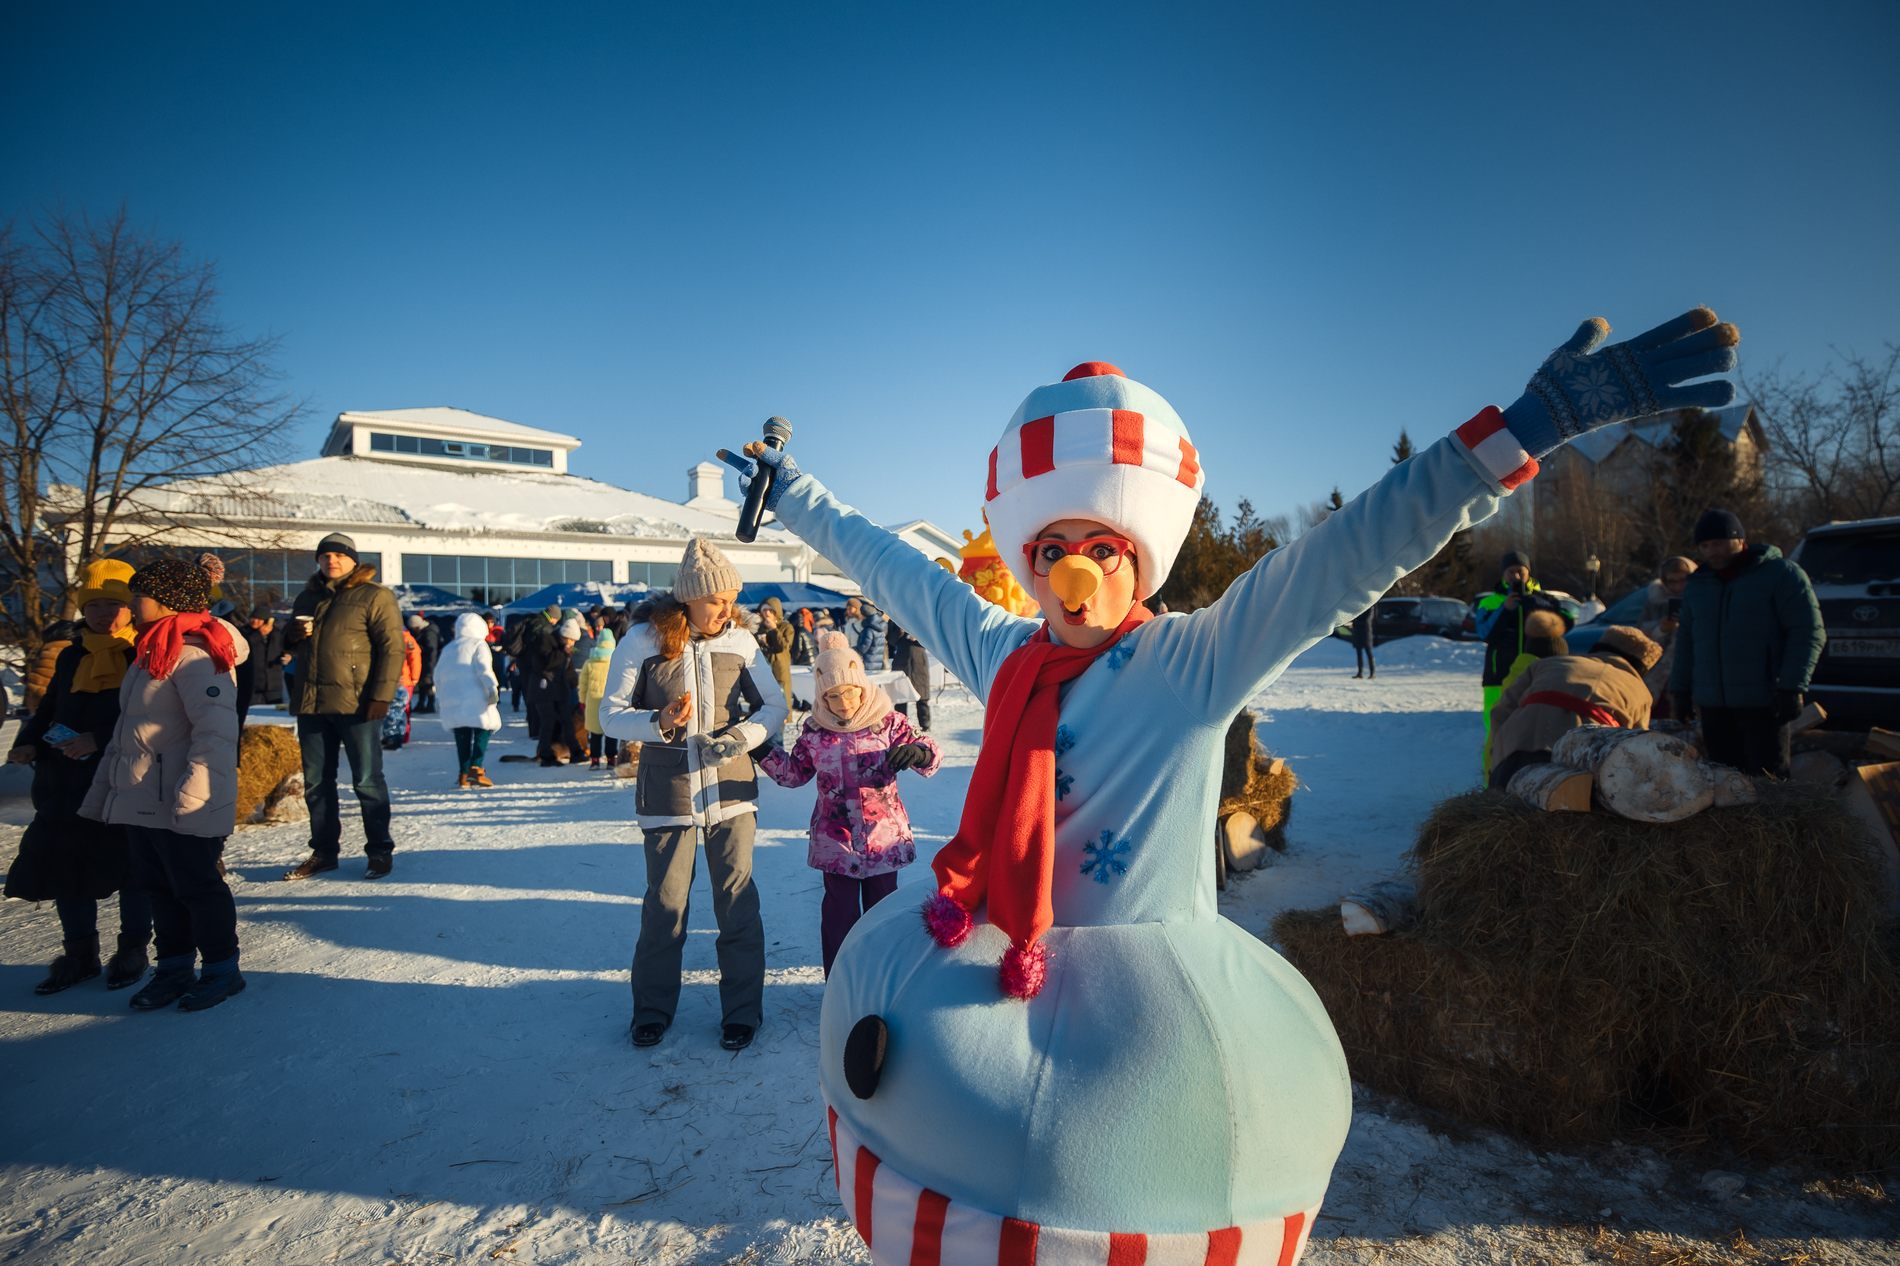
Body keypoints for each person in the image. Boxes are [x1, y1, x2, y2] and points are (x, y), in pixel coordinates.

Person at [721, 307, 1738, 1252]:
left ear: (1140, 558)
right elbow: (905, 575)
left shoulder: (1191, 663)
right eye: (1052, 550)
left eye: (1101, 548)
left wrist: (1519, 432)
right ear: (1029, 562)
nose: (1076, 573)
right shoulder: (1005, 654)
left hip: (1139, 1003)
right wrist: (801, 497)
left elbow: (1352, 550)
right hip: (998, 958)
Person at [601, 537, 788, 1052]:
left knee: (737, 904)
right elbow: (609, 714)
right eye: (717, 600)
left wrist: (741, 738)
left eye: (732, 599)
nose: (728, 610)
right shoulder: (642, 639)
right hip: (668, 793)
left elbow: (774, 706)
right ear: (688, 598)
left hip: (730, 790)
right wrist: (657, 721)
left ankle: (742, 1013)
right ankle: (653, 1011)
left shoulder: (741, 642)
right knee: (665, 905)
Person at [80, 556, 248, 1012]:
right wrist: (109, 786)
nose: (132, 604)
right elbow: (127, 731)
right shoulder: (150, 650)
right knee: (157, 886)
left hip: (180, 797)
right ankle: (173, 968)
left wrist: (196, 798)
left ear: (168, 601)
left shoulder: (196, 655)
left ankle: (221, 970)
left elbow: (214, 735)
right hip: (142, 795)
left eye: (140, 595)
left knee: (197, 886)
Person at [5, 561, 152, 994]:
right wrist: (28, 740)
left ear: (131, 608)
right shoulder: (71, 655)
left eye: (115, 604)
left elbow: (151, 717)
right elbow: (50, 709)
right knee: (64, 865)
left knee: (130, 867)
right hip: (64, 780)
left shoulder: (143, 653)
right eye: (95, 605)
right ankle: (79, 954)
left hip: (122, 776)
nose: (105, 613)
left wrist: (97, 739)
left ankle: (134, 948)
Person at [761, 631, 939, 975]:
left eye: (849, 692)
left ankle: (883, 981)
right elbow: (793, 774)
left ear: (862, 686)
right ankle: (842, 986)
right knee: (839, 917)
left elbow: (929, 751)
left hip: (883, 840)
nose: (842, 703)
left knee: (882, 916)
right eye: (832, 696)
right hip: (836, 842)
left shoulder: (888, 722)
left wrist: (919, 751)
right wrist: (761, 750)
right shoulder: (815, 731)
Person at [282, 533, 404, 881]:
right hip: (312, 704)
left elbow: (392, 648)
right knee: (316, 783)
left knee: (366, 781)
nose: (331, 561)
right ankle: (323, 852)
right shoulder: (307, 597)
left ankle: (379, 850)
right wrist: (289, 636)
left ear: (353, 560)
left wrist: (381, 696)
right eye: (325, 556)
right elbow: (294, 650)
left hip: (358, 705)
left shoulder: (374, 596)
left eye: (339, 555)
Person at [1669, 509, 1824, 779]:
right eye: (1704, 546)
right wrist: (1680, 691)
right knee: (1723, 783)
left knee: (1768, 784)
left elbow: (1808, 631)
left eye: (1718, 543)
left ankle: (1776, 823)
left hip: (1763, 702)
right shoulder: (1699, 584)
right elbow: (1687, 642)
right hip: (1714, 706)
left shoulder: (1780, 574)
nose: (1711, 551)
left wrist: (1792, 686)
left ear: (1740, 540)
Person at [1487, 625, 1662, 788]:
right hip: (1578, 761)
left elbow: (1502, 711)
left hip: (1515, 746)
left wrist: (1496, 757)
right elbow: (1637, 747)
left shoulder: (1548, 663)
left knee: (1501, 808)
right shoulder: (1640, 692)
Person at [1474, 551, 1574, 768]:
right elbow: (1484, 632)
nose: (1516, 576)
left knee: (1537, 727)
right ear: (1503, 574)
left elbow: (1566, 624)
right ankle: (1491, 782)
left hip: (1538, 675)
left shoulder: (1545, 600)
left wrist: (1536, 605)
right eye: (1511, 571)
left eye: (1520, 571)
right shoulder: (1490, 601)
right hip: (1498, 677)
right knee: (1496, 730)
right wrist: (1505, 609)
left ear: (1529, 572)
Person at [434, 612, 502, 788]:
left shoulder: (449, 648)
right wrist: (491, 688)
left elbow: (438, 675)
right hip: (475, 696)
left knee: (462, 735)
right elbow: (484, 668)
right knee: (483, 729)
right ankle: (476, 769)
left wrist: (440, 696)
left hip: (453, 697)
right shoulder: (479, 644)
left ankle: (463, 774)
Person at [1639, 556, 1697, 714]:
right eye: (1672, 581)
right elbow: (1641, 635)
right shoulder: (1654, 601)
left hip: (1693, 671)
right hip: (1659, 673)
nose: (1678, 587)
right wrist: (1661, 629)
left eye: (1683, 580)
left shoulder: (1700, 597)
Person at [530, 617, 583, 766]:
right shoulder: (546, 640)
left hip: (559, 690)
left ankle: (575, 751)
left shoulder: (564, 650)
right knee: (548, 721)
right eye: (571, 640)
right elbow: (546, 663)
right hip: (543, 689)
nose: (572, 644)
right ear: (565, 636)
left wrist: (576, 685)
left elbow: (569, 671)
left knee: (567, 720)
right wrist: (564, 653)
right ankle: (546, 755)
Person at [508, 605, 561, 738]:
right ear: (553, 617)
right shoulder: (544, 626)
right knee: (538, 698)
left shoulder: (531, 620)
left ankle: (533, 729)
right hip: (534, 666)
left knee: (530, 697)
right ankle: (537, 730)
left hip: (524, 663)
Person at [578, 627, 620, 769]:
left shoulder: (589, 663)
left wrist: (582, 700)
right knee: (611, 732)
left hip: (593, 702)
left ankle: (595, 760)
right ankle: (611, 759)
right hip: (610, 701)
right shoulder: (616, 661)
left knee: (595, 733)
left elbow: (582, 685)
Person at [754, 598, 796, 727]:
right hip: (764, 667)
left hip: (780, 667)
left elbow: (783, 647)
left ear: (776, 611)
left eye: (770, 610)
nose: (767, 613)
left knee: (782, 694)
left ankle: (784, 717)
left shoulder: (786, 627)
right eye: (764, 610)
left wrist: (773, 629)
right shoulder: (759, 627)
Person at [886, 618, 933, 731]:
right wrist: (900, 632)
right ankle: (901, 724)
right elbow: (891, 640)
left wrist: (917, 638)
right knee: (901, 695)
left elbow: (930, 639)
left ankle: (925, 724)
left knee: (922, 695)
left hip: (919, 660)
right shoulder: (894, 619)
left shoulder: (919, 618)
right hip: (901, 660)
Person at [382, 624, 423, 751]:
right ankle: (392, 734)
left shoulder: (405, 639)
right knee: (394, 709)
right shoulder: (397, 637)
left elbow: (415, 658)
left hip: (403, 680)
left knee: (399, 709)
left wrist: (414, 678)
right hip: (396, 679)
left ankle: (399, 736)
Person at [244, 606, 284, 710]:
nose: (254, 621)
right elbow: (246, 646)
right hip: (253, 685)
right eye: (253, 618)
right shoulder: (245, 632)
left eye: (259, 619)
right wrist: (259, 634)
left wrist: (288, 656)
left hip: (274, 685)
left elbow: (286, 648)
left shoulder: (277, 633)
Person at [407, 613, 440, 714]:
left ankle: (430, 704)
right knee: (423, 683)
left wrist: (431, 667)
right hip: (424, 662)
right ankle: (421, 703)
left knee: (428, 683)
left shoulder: (429, 633)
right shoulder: (423, 631)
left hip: (429, 662)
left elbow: (432, 651)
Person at [853, 600, 888, 671]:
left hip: (868, 663)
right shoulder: (881, 626)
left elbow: (863, 648)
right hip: (878, 662)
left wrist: (852, 649)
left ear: (865, 615)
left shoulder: (868, 630)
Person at [1349, 605, 1375, 679]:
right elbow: (1353, 618)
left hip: (1366, 633)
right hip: (1357, 633)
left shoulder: (1370, 607)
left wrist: (1356, 621)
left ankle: (1372, 673)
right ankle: (1360, 673)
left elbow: (1367, 620)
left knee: (1369, 653)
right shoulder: (1358, 607)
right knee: (1359, 654)